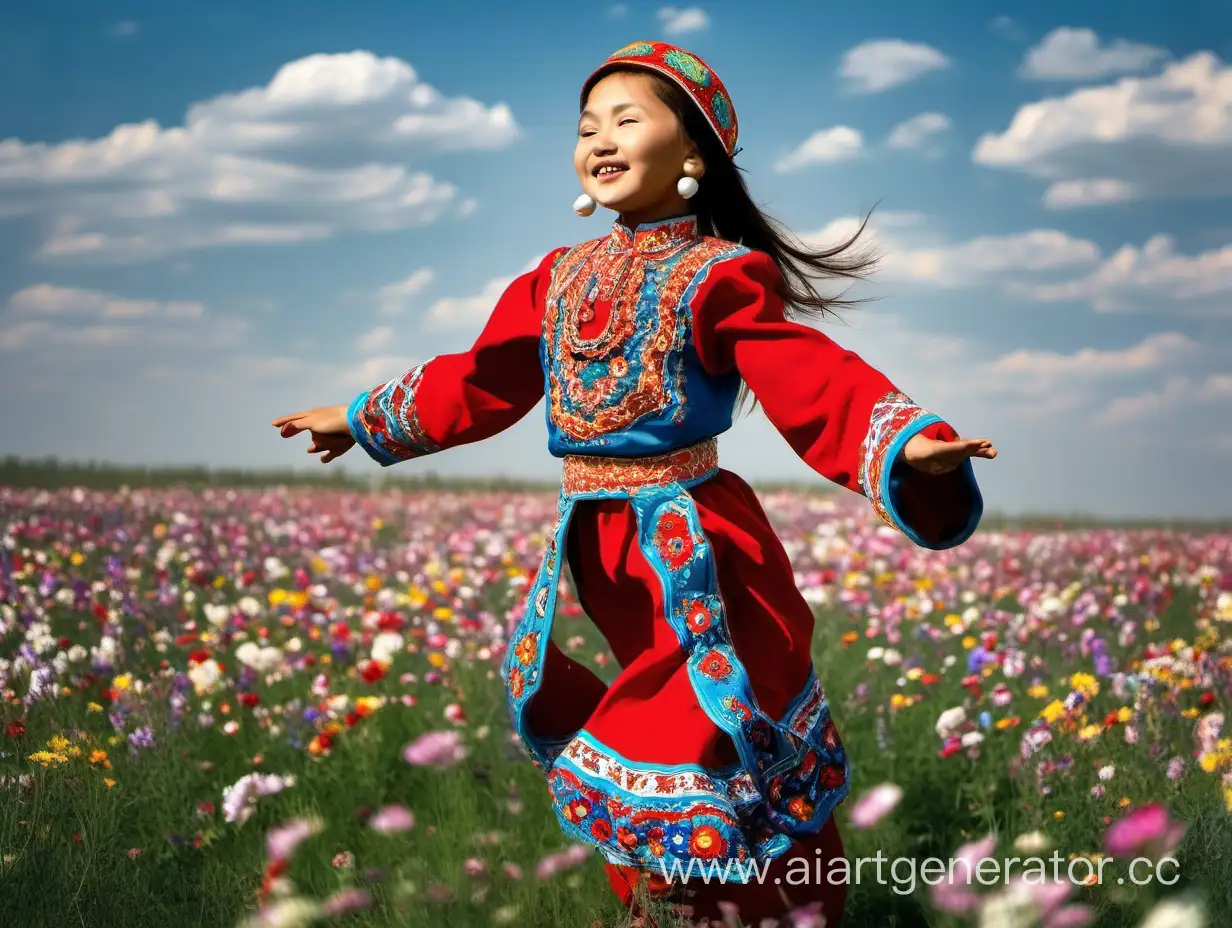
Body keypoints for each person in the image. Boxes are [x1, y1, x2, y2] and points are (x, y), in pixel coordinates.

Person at [272, 40, 996, 927]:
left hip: (700, 544)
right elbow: (486, 378)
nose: (600, 140)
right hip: (602, 542)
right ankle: (674, 903)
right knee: (653, 738)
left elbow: (809, 376)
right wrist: (362, 417)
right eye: (587, 127)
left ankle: (740, 906)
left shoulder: (721, 274)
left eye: (627, 120)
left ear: (693, 152)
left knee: (705, 733)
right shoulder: (557, 276)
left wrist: (905, 442)